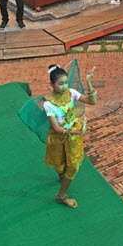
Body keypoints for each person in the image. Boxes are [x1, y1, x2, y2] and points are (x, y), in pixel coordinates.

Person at [43, 64, 97, 209]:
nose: (64, 86)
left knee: (72, 166)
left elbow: (92, 101)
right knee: (60, 164)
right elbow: (56, 127)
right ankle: (62, 182)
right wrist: (73, 131)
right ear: (51, 85)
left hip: (73, 137)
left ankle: (61, 195)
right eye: (60, 83)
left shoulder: (72, 93)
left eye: (66, 82)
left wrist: (89, 81)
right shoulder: (48, 104)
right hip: (58, 138)